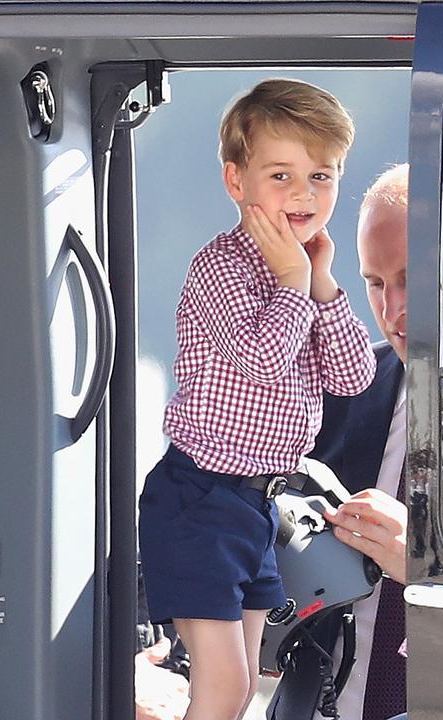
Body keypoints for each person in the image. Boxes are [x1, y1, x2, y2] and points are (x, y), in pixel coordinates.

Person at [137, 78, 376, 720]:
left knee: (241, 689)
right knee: (218, 687)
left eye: (321, 177)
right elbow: (265, 362)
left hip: (256, 506)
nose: (303, 194)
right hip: (198, 499)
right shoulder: (221, 267)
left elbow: (353, 376)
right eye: (281, 174)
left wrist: (321, 282)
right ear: (235, 182)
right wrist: (296, 281)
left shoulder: (306, 273)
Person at [267, 162, 412, 720]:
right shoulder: (336, 386)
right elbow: (213, 496)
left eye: (408, 279)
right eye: (375, 283)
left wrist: (430, 563)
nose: (392, 310)